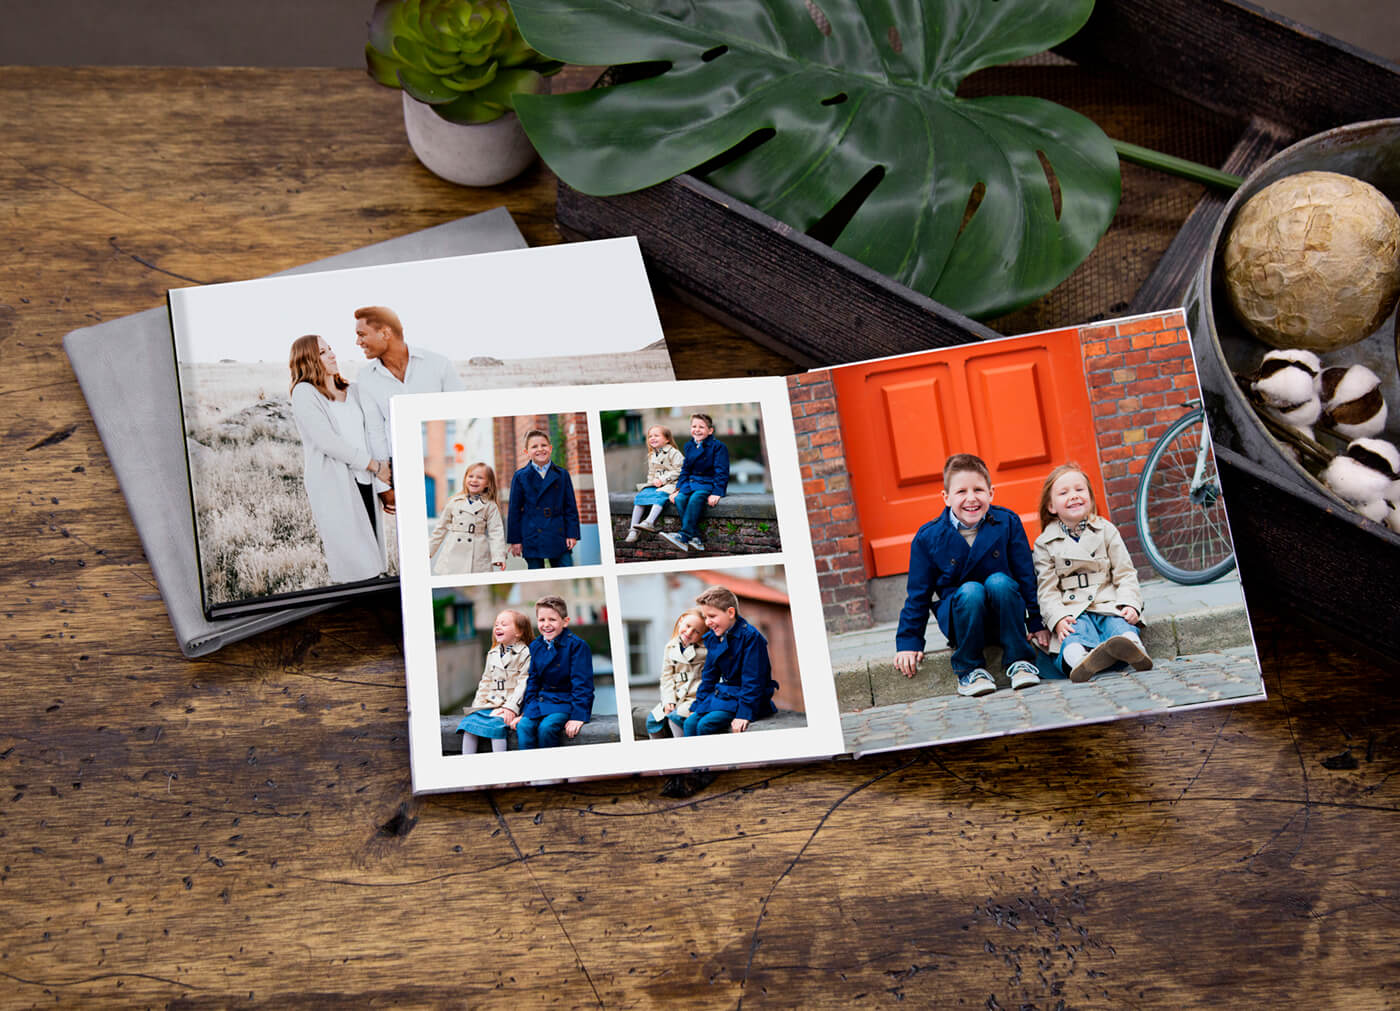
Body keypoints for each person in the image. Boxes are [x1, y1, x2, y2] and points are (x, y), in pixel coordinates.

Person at [893, 453, 1047, 697]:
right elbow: (918, 595)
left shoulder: (1007, 522)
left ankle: (1019, 660)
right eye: (961, 492)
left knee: (999, 582)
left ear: (991, 493)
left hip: (1005, 614)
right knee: (971, 590)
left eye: (978, 490)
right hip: (962, 618)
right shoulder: (928, 538)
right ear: (946, 497)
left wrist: (1037, 622)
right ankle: (969, 669)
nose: (971, 498)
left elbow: (1026, 576)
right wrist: (909, 642)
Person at [1032, 463, 1151, 682]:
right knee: (1072, 634)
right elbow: (1046, 590)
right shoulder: (1044, 543)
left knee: (1120, 625)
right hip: (1072, 609)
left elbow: (1125, 573)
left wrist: (1130, 604)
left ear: (1090, 497)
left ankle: (1133, 649)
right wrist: (1058, 619)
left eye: (1080, 490)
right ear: (1051, 506)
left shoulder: (1106, 530)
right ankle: (1079, 661)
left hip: (1107, 602)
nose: (1074, 496)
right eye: (1064, 492)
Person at [287, 334, 387, 584]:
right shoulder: (304, 393)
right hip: (334, 483)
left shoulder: (352, 390)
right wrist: (374, 465)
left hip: (365, 479)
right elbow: (327, 441)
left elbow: (374, 431)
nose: (332, 354)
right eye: (322, 352)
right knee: (354, 564)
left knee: (373, 555)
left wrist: (383, 482)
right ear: (307, 359)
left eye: (331, 348)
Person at [352, 305, 465, 517]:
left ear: (385, 333)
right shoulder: (366, 377)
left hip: (447, 462)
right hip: (400, 470)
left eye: (361, 335)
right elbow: (374, 431)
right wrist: (383, 487)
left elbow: (463, 413)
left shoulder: (438, 364)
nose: (358, 342)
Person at [682, 586, 778, 737]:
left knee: (705, 725)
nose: (707, 622)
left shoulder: (751, 638)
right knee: (689, 723)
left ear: (731, 613)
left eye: (712, 616)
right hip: (725, 695)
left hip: (748, 698)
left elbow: (753, 680)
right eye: (705, 617)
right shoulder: (713, 638)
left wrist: (744, 714)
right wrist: (698, 705)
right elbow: (709, 677)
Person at [516, 595, 595, 750]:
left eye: (552, 620)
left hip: (565, 702)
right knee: (523, 726)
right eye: (541, 620)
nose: (546, 625)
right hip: (540, 701)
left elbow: (583, 685)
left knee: (546, 728)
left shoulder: (577, 646)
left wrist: (578, 716)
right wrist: (526, 710)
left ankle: (552, 773)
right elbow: (532, 681)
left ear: (565, 622)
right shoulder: (535, 646)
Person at [456, 609, 532, 754]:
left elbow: (523, 684)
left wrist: (511, 708)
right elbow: (485, 681)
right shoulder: (492, 653)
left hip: (510, 706)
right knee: (469, 725)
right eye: (496, 624)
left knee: (496, 729)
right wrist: (478, 705)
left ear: (519, 632)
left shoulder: (525, 654)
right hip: (490, 704)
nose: (498, 627)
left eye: (504, 624)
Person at [506, 429, 580, 569]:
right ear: (526, 452)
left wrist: (572, 534)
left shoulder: (562, 474)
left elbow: (570, 507)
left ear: (550, 448)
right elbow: (514, 511)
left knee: (565, 567)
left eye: (544, 445)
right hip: (532, 534)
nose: (540, 449)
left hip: (558, 533)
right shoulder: (520, 476)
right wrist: (515, 540)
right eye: (534, 446)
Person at [660, 413, 729, 553]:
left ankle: (684, 536)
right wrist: (678, 488)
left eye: (701, 427)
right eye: (694, 426)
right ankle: (696, 538)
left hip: (708, 483)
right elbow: (685, 469)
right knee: (679, 498)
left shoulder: (718, 447)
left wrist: (717, 492)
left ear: (710, 431)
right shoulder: (689, 446)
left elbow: (722, 471)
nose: (697, 430)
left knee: (695, 498)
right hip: (691, 482)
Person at [427, 462, 507, 575]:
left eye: (480, 477)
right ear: (465, 479)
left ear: (488, 483)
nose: (474, 480)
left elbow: (496, 532)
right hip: (453, 552)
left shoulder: (490, 506)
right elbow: (440, 529)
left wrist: (499, 556)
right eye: (470, 476)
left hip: (477, 554)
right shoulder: (454, 502)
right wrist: (429, 551)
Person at [645, 608, 707, 740]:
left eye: (696, 631)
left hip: (693, 697)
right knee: (652, 720)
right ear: (681, 621)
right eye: (688, 626)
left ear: (702, 635)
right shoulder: (670, 647)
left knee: (675, 718)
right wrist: (668, 700)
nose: (689, 632)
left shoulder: (705, 652)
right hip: (676, 696)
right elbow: (666, 677)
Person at [625, 424, 684, 543]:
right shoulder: (652, 454)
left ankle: (650, 522)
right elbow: (651, 473)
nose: (652, 438)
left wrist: (663, 479)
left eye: (656, 435)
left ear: (667, 439)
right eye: (650, 436)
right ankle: (633, 530)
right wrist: (649, 484)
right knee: (641, 497)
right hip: (656, 484)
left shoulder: (674, 453)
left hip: (672, 484)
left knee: (660, 496)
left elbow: (680, 470)